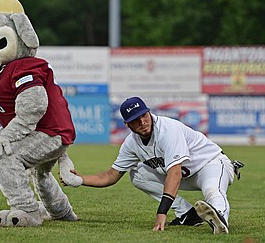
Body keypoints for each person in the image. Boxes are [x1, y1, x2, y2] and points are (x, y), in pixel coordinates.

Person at [63, 96, 243, 234]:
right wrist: (79, 179)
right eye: (135, 119)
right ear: (126, 124)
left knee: (212, 190)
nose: (142, 122)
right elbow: (110, 176)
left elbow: (174, 173)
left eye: (144, 115)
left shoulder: (167, 130)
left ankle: (220, 217)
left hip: (212, 164)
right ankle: (189, 214)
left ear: (149, 112)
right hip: (186, 176)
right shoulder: (131, 143)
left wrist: (162, 212)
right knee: (138, 173)